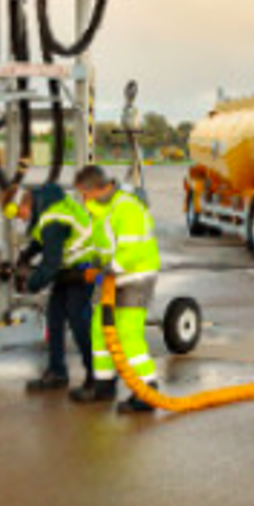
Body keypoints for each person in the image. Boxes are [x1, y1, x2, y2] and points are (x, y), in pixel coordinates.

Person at [77, 164, 162, 414]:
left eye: (84, 192)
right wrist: (92, 261)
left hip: (135, 276)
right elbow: (102, 243)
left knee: (127, 333)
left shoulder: (126, 208)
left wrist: (109, 268)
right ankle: (104, 384)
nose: (82, 198)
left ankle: (147, 390)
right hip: (112, 278)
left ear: (96, 189)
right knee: (99, 330)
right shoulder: (100, 209)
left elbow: (132, 249)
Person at [17, 178, 99, 395]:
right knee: (54, 319)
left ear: (30, 204)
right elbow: (41, 240)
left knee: (79, 321)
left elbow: (51, 264)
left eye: (22, 212)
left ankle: (97, 375)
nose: (21, 217)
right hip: (67, 269)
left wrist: (30, 283)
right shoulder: (49, 209)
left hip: (82, 270)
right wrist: (27, 255)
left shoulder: (53, 218)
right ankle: (57, 372)